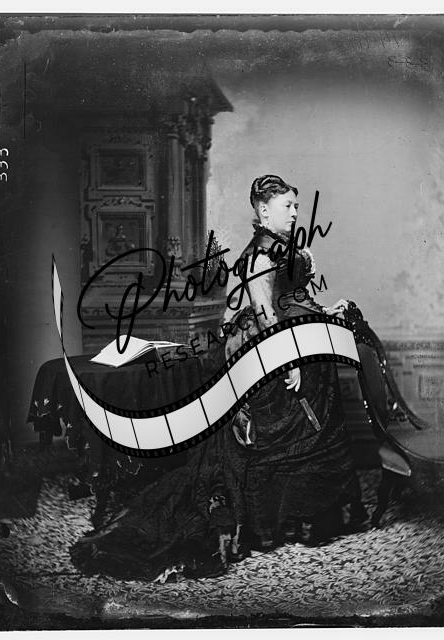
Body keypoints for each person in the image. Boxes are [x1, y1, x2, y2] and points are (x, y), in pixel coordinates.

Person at [70, 175, 367, 582]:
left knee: (310, 432)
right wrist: (288, 361)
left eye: (297, 206)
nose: (295, 213)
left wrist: (324, 313)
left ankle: (305, 519)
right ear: (264, 211)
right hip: (270, 352)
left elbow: (292, 298)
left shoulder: (282, 247)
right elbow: (265, 313)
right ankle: (274, 523)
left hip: (294, 345)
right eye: (287, 206)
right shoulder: (260, 255)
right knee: (275, 439)